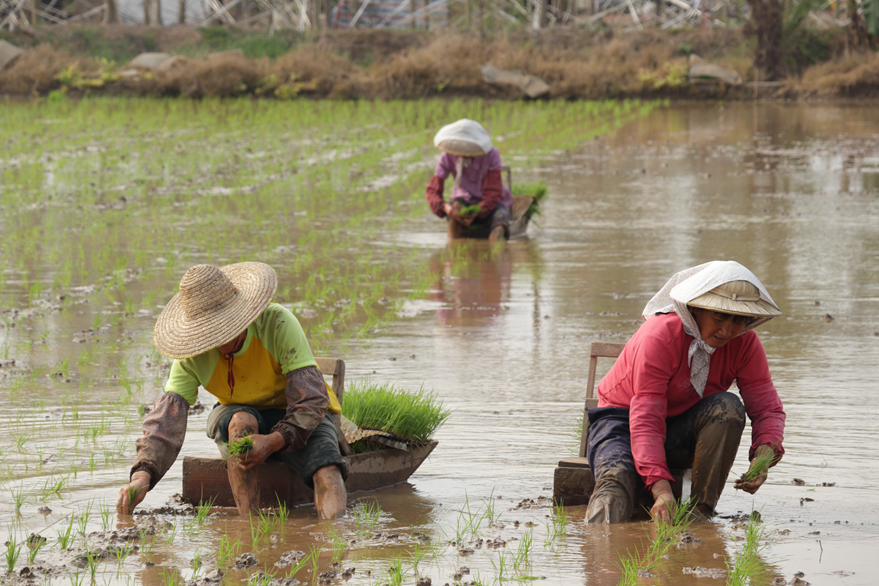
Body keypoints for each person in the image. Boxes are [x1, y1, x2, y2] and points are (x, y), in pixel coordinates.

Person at [116, 262, 348, 518]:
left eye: (226, 328)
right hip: (238, 412)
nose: (221, 341)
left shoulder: (277, 323)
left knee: (328, 472)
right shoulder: (193, 353)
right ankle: (250, 530)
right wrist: (142, 475)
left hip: (299, 412)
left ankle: (334, 543)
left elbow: (312, 398)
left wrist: (273, 441)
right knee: (240, 424)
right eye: (211, 333)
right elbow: (166, 420)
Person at [585, 260, 786, 524]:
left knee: (728, 406)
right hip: (621, 423)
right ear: (695, 309)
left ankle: (700, 517)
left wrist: (764, 456)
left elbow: (767, 408)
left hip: (681, 430)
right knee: (616, 480)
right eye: (719, 316)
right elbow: (646, 417)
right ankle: (597, 551)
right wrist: (662, 489)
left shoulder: (745, 343)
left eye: (738, 320)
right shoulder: (660, 335)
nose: (727, 330)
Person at [425, 118, 513, 243]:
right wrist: (446, 208)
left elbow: (492, 193)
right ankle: (453, 249)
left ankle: (495, 255)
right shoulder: (448, 155)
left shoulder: (492, 154)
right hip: (462, 200)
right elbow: (433, 190)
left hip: (490, 205)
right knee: (456, 207)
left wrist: (478, 211)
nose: (463, 152)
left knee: (500, 222)